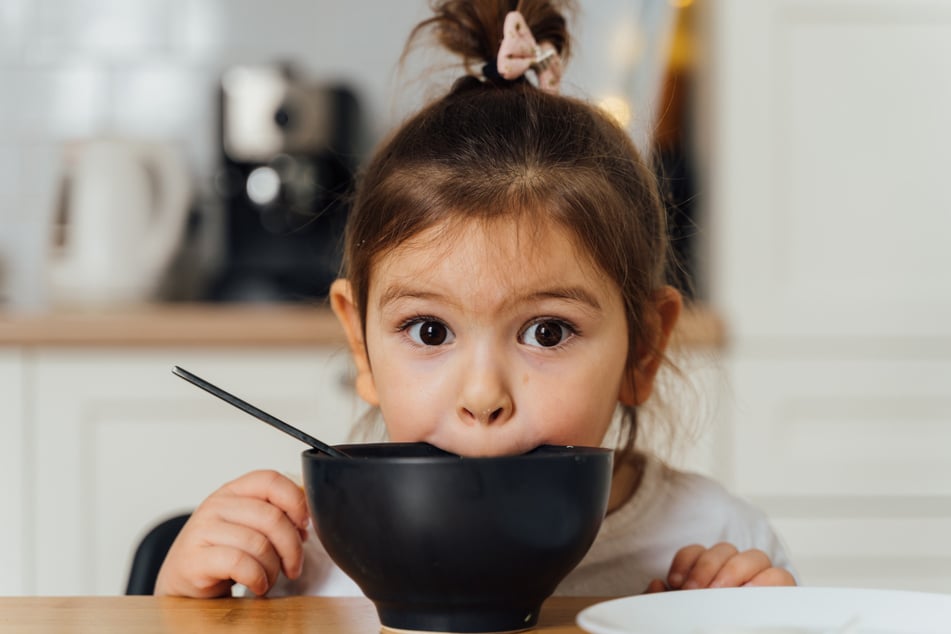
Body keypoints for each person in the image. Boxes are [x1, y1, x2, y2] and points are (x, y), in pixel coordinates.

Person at [155, 0, 797, 599]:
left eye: (547, 332)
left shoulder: (717, 545)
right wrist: (181, 609)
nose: (484, 396)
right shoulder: (305, 557)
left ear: (644, 349)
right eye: (430, 332)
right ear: (361, 345)